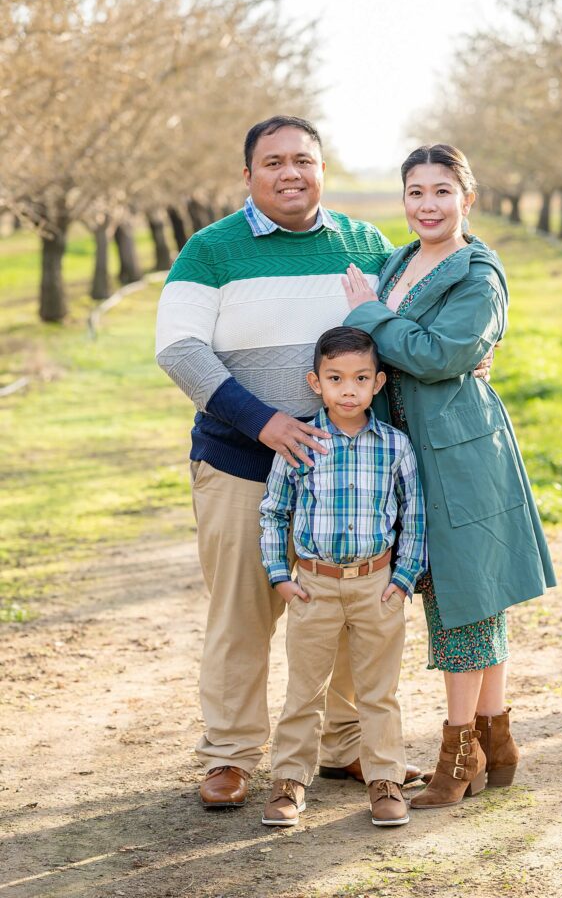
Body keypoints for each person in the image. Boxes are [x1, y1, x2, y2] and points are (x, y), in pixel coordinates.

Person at [155, 116, 426, 808]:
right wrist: (265, 423)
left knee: (342, 608)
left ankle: (343, 746)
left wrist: (470, 352)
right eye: (272, 162)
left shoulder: (362, 245)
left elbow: (407, 327)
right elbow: (179, 349)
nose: (289, 173)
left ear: (321, 170)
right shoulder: (210, 250)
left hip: (349, 475)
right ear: (247, 176)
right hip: (242, 462)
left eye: (302, 160)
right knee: (243, 612)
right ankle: (231, 754)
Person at [342, 143, 557, 808]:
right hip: (403, 456)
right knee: (465, 594)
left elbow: (440, 356)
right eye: (414, 192)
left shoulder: (477, 274)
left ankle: (457, 754)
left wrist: (369, 314)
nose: (426, 205)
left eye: (440, 191)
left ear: (467, 198)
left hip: (460, 457)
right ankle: (498, 745)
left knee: (462, 600)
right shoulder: (396, 262)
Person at [258, 327, 428, 828]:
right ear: (316, 382)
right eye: (335, 378)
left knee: (378, 690)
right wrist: (279, 575)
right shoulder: (301, 441)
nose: (347, 389)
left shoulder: (395, 446)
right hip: (312, 584)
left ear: (378, 383)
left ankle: (385, 780)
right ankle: (289, 782)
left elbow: (413, 518)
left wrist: (402, 577)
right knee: (305, 690)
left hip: (376, 584)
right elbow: (274, 512)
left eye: (359, 378)